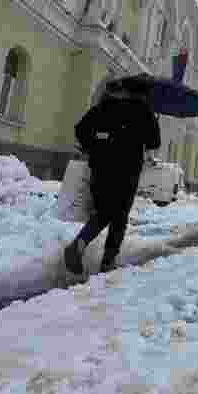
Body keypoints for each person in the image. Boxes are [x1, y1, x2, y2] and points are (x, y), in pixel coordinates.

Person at [64, 77, 161, 280]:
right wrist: (151, 121)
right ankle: (106, 262)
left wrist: (95, 146)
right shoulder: (144, 111)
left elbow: (80, 130)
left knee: (104, 212)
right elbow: (154, 141)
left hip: (100, 169)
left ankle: (80, 245)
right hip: (127, 171)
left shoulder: (104, 107)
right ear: (143, 94)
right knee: (119, 216)